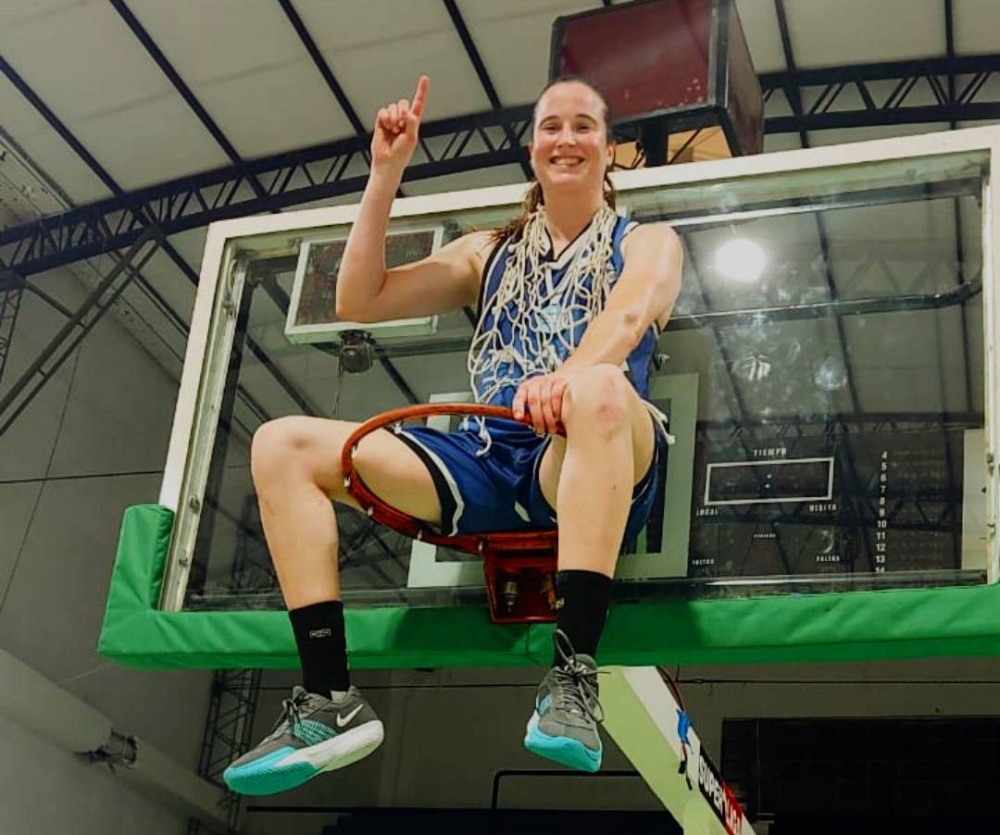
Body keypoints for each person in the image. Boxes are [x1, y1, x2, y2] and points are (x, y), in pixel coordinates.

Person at [223, 74, 683, 796]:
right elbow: (357, 298)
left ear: (610, 149)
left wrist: (566, 374)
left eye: (584, 126)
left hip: (592, 453)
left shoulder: (649, 241)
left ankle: (572, 677)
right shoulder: (486, 253)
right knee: (282, 442)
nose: (566, 138)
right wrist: (385, 175)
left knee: (598, 389)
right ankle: (327, 700)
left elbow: (626, 320)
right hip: (495, 456)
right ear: (533, 148)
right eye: (551, 126)